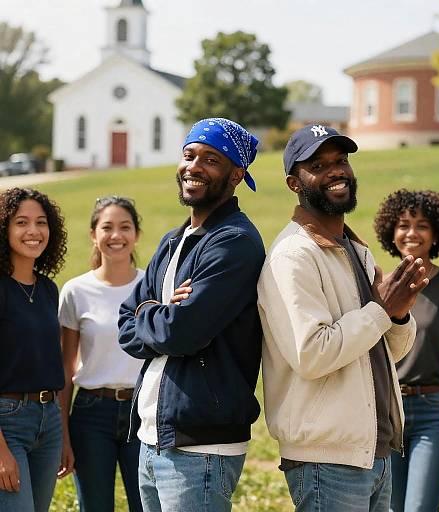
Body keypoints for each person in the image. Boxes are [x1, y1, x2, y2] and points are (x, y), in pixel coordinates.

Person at [258, 124, 428, 512]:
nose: (337, 171)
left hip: (374, 450)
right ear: (293, 183)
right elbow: (312, 354)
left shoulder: (355, 248)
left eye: (341, 160)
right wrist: (381, 310)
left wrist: (398, 315)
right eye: (319, 164)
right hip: (326, 460)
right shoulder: (293, 256)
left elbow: (393, 351)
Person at [118, 117, 265, 512]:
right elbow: (125, 325)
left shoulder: (234, 242)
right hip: (153, 437)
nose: (194, 166)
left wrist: (153, 313)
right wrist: (159, 312)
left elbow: (181, 333)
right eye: (189, 155)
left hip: (202, 447)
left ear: (237, 175)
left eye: (211, 159)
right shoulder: (172, 241)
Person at [374, 189, 439, 512]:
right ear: (390, 232)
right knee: (390, 507)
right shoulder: (379, 285)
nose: (411, 233)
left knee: (419, 508)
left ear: (436, 233)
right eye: (403, 225)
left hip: (435, 414)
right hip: (388, 410)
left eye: (422, 225)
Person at [58, 196, 145, 511]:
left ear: (136, 234)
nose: (116, 235)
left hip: (143, 412)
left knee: (147, 505)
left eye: (125, 227)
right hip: (91, 414)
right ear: (94, 234)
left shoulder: (153, 285)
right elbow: (65, 369)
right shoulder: (75, 291)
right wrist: (63, 434)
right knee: (94, 506)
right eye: (107, 227)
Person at [0, 187, 67, 511]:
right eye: (21, 222)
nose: (33, 231)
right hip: (7, 423)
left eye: (41, 222)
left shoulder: (48, 289)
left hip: (49, 420)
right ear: (5, 229)